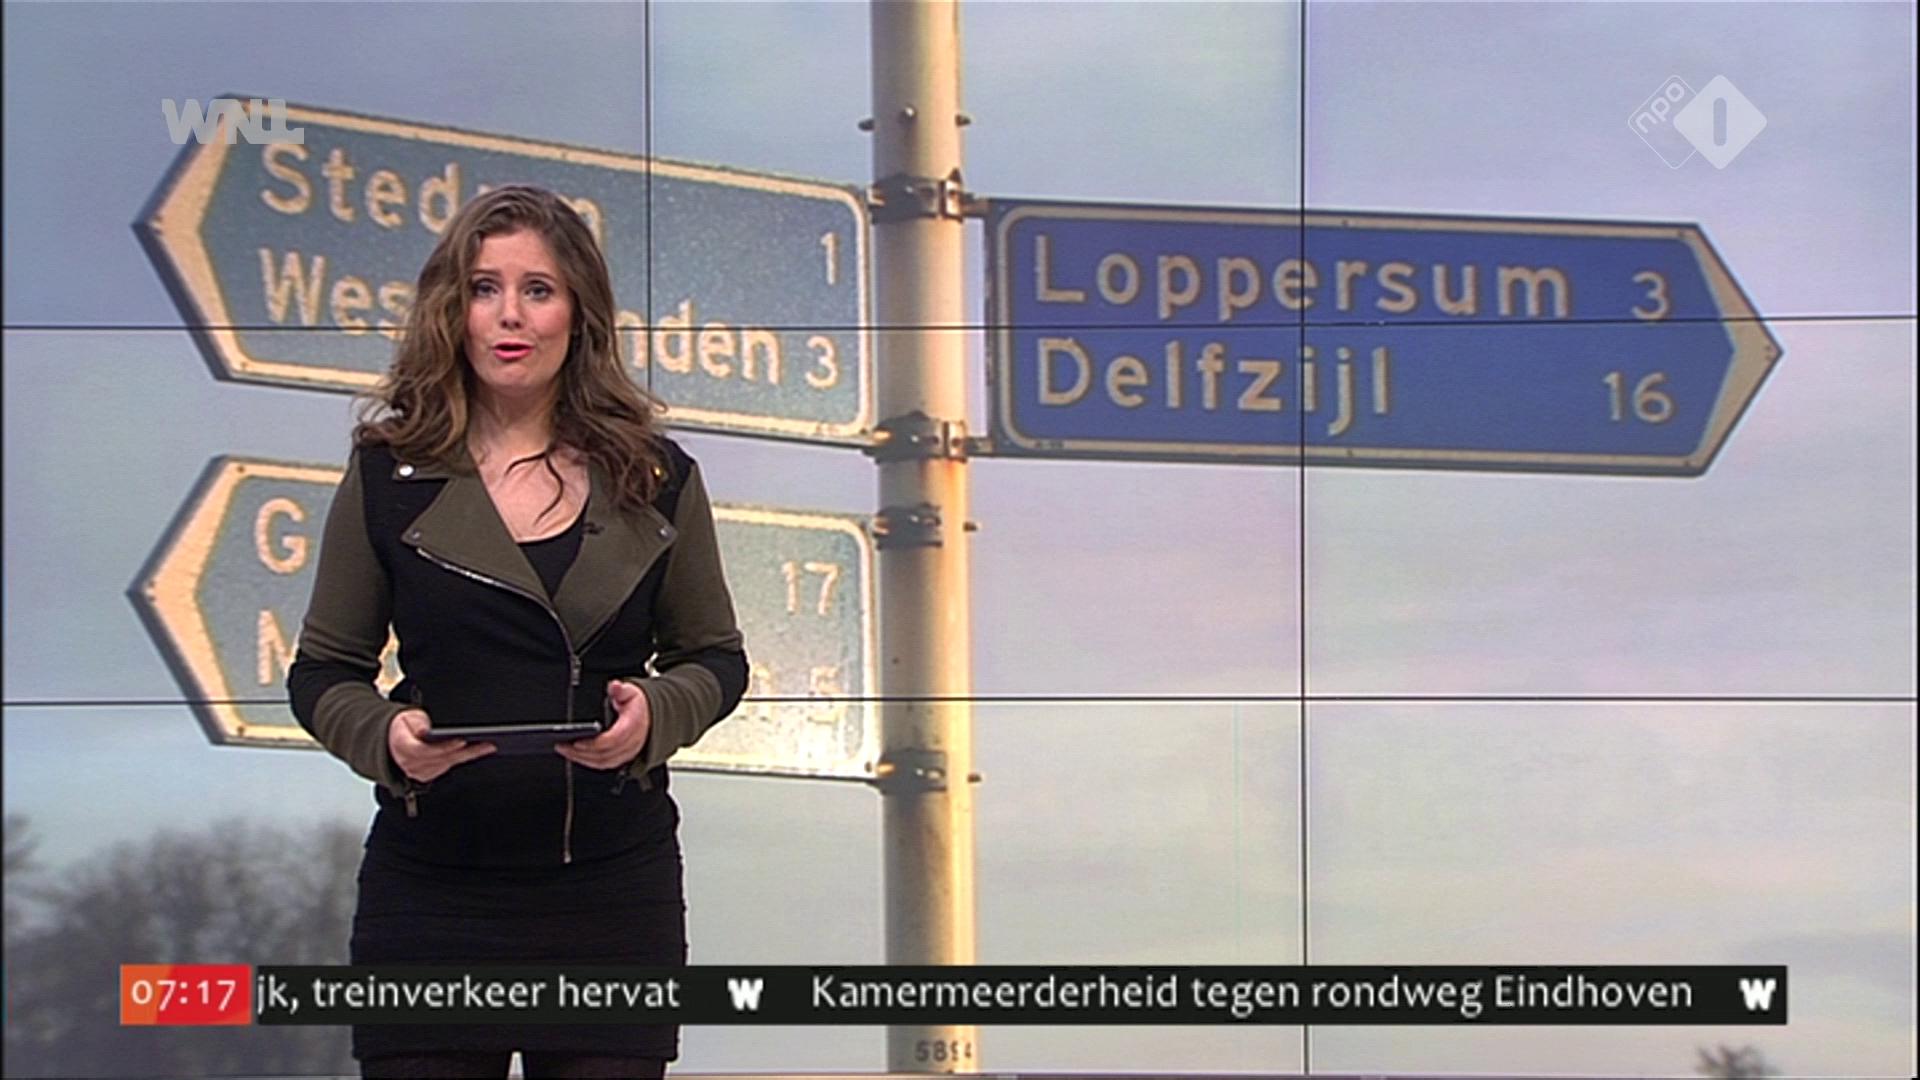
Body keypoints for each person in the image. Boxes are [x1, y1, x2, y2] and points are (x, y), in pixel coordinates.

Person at [288, 184, 747, 1079]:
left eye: (538, 289)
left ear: (578, 312)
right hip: (433, 896)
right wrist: (385, 737)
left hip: (612, 894)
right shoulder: (387, 476)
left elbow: (715, 660)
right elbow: (323, 672)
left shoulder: (656, 478)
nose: (510, 315)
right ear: (451, 311)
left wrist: (655, 716)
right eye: (483, 288)